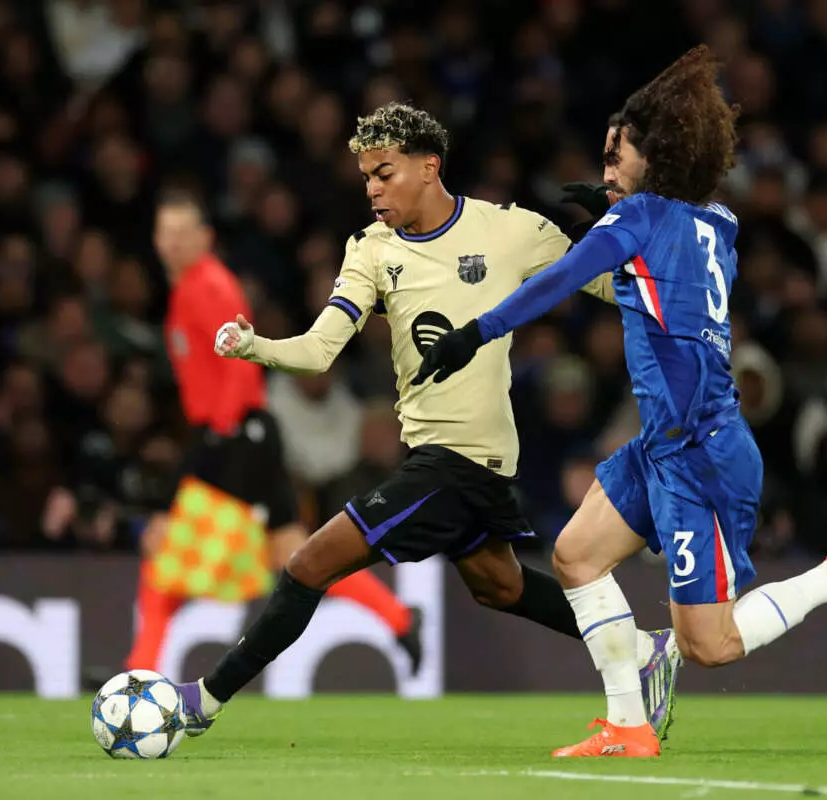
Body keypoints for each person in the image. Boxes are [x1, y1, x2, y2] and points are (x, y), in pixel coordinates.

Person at [413, 46, 827, 758]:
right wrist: (617, 211)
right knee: (575, 557)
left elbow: (558, 281)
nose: (603, 170)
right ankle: (629, 725)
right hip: (666, 443)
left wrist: (476, 332)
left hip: (702, 457)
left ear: (653, 160)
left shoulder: (638, 223)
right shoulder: (720, 223)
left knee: (710, 646)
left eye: (613, 158)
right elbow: (671, 260)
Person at [176, 102, 674, 738]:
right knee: (500, 585)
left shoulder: (510, 231)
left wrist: (617, 225)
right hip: (436, 455)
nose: (373, 189)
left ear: (428, 167)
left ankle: (203, 701)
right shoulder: (372, 251)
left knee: (307, 565)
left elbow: (620, 288)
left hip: (461, 459)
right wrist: (255, 347)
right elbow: (320, 347)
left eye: (384, 173)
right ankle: (639, 649)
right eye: (365, 177)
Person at [102, 189, 423, 684]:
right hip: (247, 432)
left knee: (164, 547)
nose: (170, 244)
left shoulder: (206, 286)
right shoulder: (194, 285)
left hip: (233, 437)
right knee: (297, 555)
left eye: (181, 234)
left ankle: (136, 673)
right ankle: (399, 619)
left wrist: (223, 435)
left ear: (204, 238)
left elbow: (236, 360)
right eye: (163, 234)